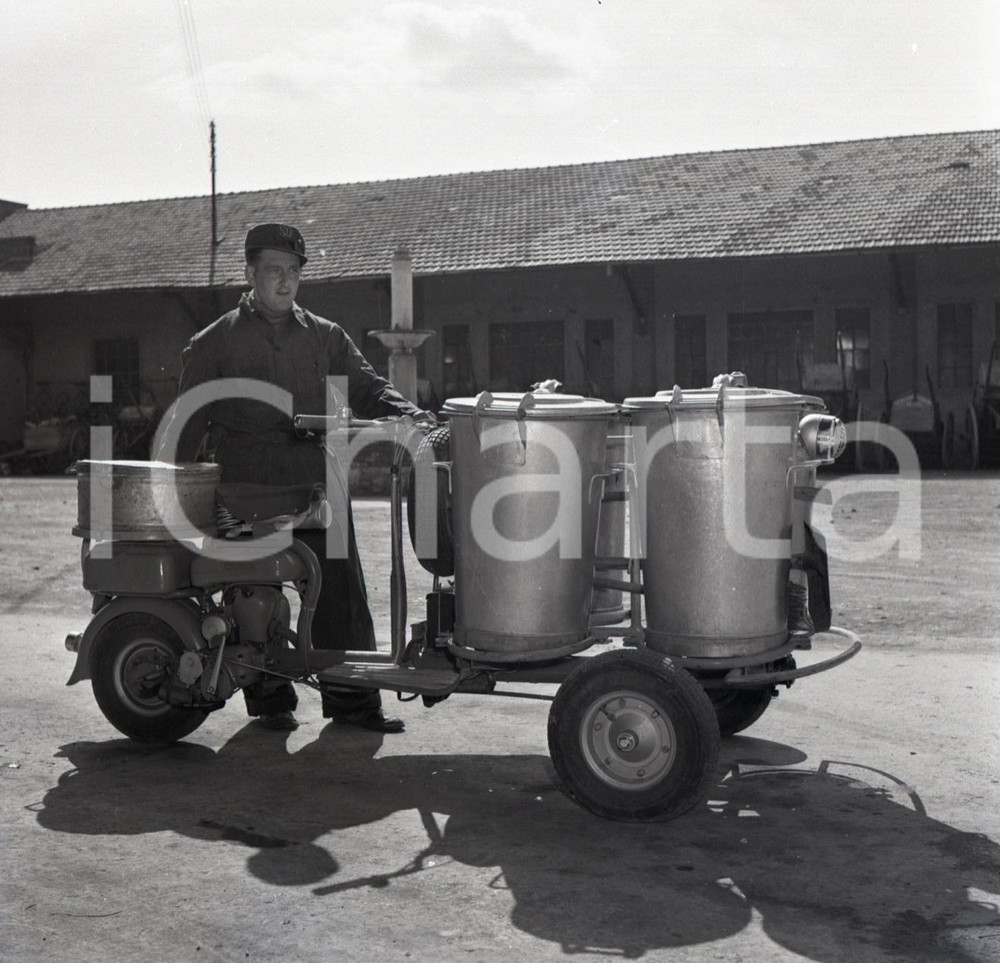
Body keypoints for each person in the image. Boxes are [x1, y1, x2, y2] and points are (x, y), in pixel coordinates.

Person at [161, 222, 433, 732]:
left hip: (316, 478)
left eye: (292, 272)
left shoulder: (326, 337)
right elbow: (187, 419)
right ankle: (269, 699)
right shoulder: (214, 341)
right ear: (250, 273)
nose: (284, 282)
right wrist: (172, 484)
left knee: (340, 592)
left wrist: (410, 412)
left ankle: (354, 703)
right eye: (272, 272)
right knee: (254, 594)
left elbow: (368, 386)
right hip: (246, 484)